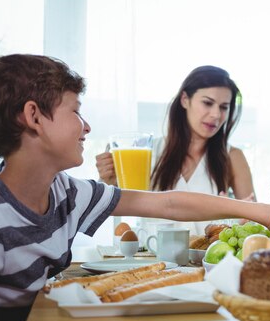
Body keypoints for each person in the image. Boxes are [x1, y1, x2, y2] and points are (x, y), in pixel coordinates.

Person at [0, 54, 270, 321]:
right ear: (34, 117)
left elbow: (168, 204)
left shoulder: (66, 191)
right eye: (77, 111)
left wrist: (260, 211)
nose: (87, 126)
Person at [95, 65, 255, 234]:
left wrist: (238, 217)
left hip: (205, 258)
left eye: (224, 107)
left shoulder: (233, 157)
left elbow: (255, 225)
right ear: (185, 99)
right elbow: (106, 210)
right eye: (207, 103)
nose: (216, 114)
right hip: (152, 257)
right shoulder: (146, 152)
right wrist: (107, 182)